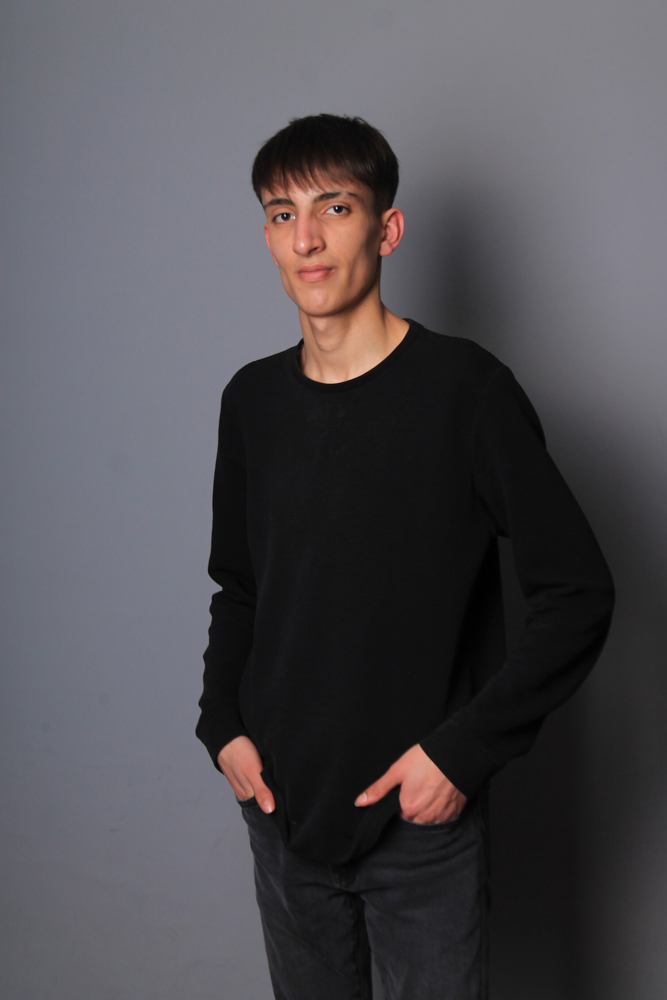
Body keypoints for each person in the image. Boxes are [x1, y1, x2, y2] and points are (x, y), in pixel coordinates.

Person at [196, 114, 614, 1000]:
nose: (306, 238)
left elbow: (576, 591)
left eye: (334, 207)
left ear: (385, 229)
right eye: (281, 213)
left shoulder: (466, 392)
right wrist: (221, 725)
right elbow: (239, 587)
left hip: (419, 827)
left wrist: (462, 753)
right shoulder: (252, 402)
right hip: (281, 816)